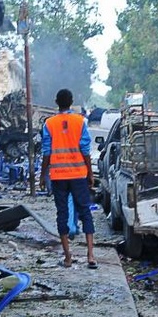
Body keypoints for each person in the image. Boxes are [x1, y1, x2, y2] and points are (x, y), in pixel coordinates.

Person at [39, 89, 96, 269]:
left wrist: (42, 174)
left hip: (58, 176)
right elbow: (85, 150)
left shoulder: (49, 124)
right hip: (78, 174)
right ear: (71, 102)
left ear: (56, 102)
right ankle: (91, 256)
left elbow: (47, 152)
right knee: (85, 212)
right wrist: (90, 172)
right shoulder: (80, 122)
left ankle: (68, 257)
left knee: (62, 214)